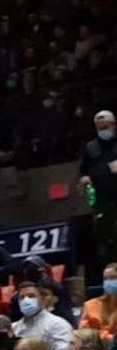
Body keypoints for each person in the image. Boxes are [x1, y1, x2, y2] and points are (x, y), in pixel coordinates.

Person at [79, 110, 117, 261]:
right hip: (100, 203)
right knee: (104, 241)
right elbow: (84, 172)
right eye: (100, 128)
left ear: (114, 126)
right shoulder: (90, 147)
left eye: (106, 127)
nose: (104, 131)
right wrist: (84, 181)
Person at [13, 280, 72, 350]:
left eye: (31, 296)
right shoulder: (14, 327)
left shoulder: (58, 324)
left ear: (42, 300)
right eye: (21, 297)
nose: (26, 300)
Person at [79, 262, 117, 342]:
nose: (108, 282)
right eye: (105, 278)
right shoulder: (90, 305)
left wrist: (103, 334)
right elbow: (84, 333)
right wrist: (108, 336)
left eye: (113, 278)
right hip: (98, 347)